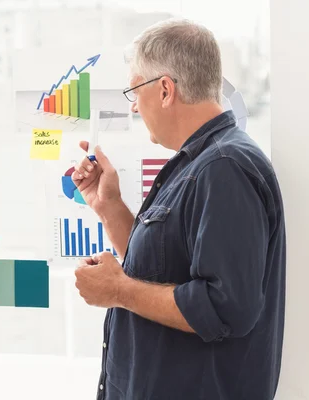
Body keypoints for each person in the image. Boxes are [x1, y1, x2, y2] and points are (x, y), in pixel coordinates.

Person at [73, 19, 286, 400]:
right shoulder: (198, 164)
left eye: (134, 91)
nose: (135, 106)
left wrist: (118, 290)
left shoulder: (223, 168)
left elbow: (224, 308)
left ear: (166, 89)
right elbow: (161, 269)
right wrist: (108, 207)